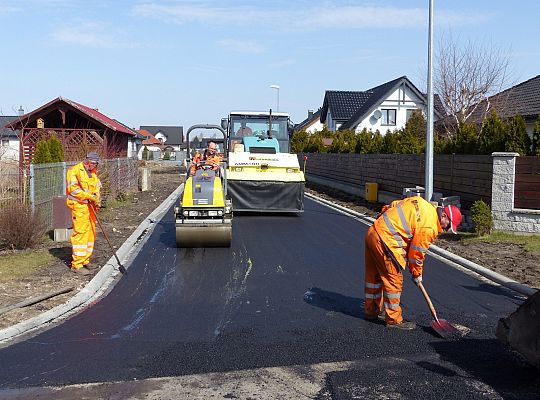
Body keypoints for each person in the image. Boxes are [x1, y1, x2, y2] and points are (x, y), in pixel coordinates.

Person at [364, 196, 462, 330]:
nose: (447, 229)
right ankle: (393, 320)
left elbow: (393, 205)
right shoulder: (429, 226)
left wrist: (383, 222)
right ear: (444, 215)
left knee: (374, 276)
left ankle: (371, 311)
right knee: (393, 280)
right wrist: (417, 274)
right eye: (449, 225)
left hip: (373, 232)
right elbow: (416, 255)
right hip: (386, 242)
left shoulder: (422, 203)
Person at [66, 152, 102, 275]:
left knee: (90, 233)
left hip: (90, 207)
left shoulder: (93, 172)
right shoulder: (74, 171)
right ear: (88, 162)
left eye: (96, 165)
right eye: (94, 164)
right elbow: (73, 190)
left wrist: (96, 196)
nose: (95, 166)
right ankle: (77, 265)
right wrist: (89, 197)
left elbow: (96, 185)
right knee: (80, 233)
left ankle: (85, 260)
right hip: (80, 207)